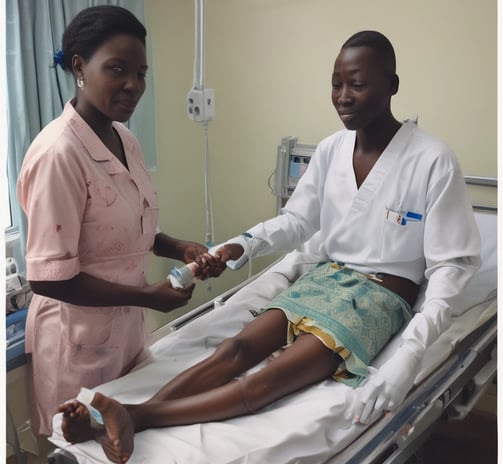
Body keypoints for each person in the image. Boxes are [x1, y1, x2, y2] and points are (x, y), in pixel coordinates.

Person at [57, 30, 481, 463]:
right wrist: (242, 246)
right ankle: (127, 415)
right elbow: (297, 220)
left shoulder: (432, 160)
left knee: (266, 382)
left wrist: (408, 356)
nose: (343, 96)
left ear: (392, 84)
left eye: (358, 83)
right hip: (325, 278)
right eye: (336, 83)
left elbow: (451, 267)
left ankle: (136, 416)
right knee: (234, 350)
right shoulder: (332, 150)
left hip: (380, 296)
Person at [16, 5, 223, 438]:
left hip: (123, 331)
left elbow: (127, 232)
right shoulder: (59, 154)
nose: (133, 85)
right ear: (79, 67)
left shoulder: (122, 137)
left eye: (141, 73)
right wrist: (147, 295)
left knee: (124, 434)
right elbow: (48, 279)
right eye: (117, 69)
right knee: (80, 445)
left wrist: (179, 247)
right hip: (76, 342)